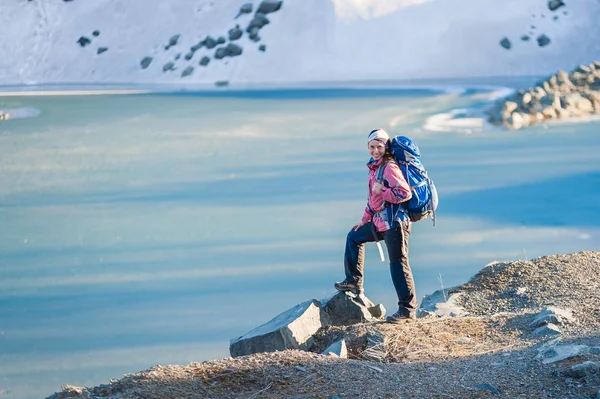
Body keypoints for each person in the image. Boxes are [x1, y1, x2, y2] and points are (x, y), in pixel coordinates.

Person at [334, 128, 418, 323]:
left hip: (396, 224)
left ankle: (407, 311)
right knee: (353, 236)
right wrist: (365, 219)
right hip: (381, 222)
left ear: (386, 147)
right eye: (372, 147)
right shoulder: (374, 168)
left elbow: (405, 194)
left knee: (398, 264)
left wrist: (384, 190)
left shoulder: (389, 167)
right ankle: (353, 282)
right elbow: (373, 199)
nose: (375, 151)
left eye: (379, 147)